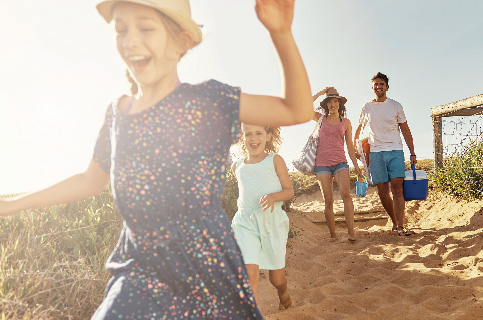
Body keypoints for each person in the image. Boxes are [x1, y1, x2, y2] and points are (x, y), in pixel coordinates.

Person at [0, 0, 312, 318]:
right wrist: (9, 205)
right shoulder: (117, 115)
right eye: (121, 30)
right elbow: (88, 180)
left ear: (181, 41)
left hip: (208, 273)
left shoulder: (209, 101)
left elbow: (296, 110)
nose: (130, 39)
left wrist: (281, 32)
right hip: (138, 271)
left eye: (146, 28)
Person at [231, 123, 293, 310]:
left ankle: (284, 296)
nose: (253, 138)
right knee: (249, 275)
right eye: (248, 134)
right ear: (242, 137)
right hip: (245, 223)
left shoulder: (275, 160)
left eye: (259, 133)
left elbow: (289, 191)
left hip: (271, 223)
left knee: (277, 278)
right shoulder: (238, 165)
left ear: (268, 136)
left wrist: (274, 197)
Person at [354, 72, 416, 236]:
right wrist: (356, 148)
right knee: (382, 190)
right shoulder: (367, 107)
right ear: (372, 87)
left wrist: (412, 152)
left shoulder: (396, 105)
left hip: (395, 150)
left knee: (397, 188)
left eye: (381, 84)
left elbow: (405, 129)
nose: (378, 87)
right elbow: (359, 129)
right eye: (375, 84)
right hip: (375, 152)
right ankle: (395, 221)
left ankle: (401, 225)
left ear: (387, 87)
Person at [312, 87, 365, 242]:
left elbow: (349, 146)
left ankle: (351, 233)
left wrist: (356, 166)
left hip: (340, 162)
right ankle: (333, 235)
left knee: (346, 194)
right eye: (330, 101)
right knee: (328, 201)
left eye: (336, 101)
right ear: (326, 105)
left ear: (340, 104)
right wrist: (322, 92)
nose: (333, 104)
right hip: (322, 164)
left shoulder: (346, 123)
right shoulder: (320, 119)